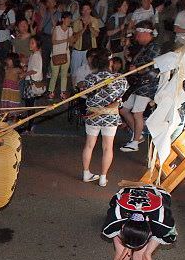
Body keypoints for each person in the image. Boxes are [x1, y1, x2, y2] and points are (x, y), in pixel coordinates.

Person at [81, 48, 128, 187]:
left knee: (89, 145)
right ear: (110, 62)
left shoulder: (90, 78)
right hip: (110, 116)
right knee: (108, 147)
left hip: (93, 115)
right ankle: (103, 178)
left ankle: (86, 173)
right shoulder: (120, 79)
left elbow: (85, 95)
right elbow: (120, 98)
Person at [119, 21, 160, 153]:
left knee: (137, 113)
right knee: (124, 109)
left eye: (138, 34)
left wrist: (136, 69)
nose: (137, 37)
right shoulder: (145, 46)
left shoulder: (155, 47)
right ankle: (139, 135)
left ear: (145, 33)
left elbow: (150, 65)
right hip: (138, 83)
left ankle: (135, 142)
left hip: (147, 84)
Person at [48, 12, 75, 100]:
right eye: (67, 19)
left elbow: (71, 43)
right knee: (54, 74)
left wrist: (72, 40)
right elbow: (53, 42)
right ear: (63, 19)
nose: (69, 20)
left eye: (70, 19)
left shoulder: (70, 29)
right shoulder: (56, 28)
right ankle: (51, 92)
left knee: (64, 75)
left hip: (66, 54)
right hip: (56, 54)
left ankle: (63, 92)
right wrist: (66, 40)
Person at [71, 3, 101, 78]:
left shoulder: (94, 20)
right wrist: (83, 28)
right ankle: (75, 86)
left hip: (90, 50)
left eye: (87, 9)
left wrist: (90, 27)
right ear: (81, 11)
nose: (86, 11)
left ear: (90, 10)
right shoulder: (77, 21)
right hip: (78, 49)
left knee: (89, 70)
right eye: (84, 9)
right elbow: (75, 36)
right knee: (75, 70)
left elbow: (96, 34)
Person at [0, 0, 15, 67]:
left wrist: (4, 26)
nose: (0, 0)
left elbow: (13, 25)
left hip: (5, 38)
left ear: (6, 0)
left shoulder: (10, 11)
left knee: (4, 58)